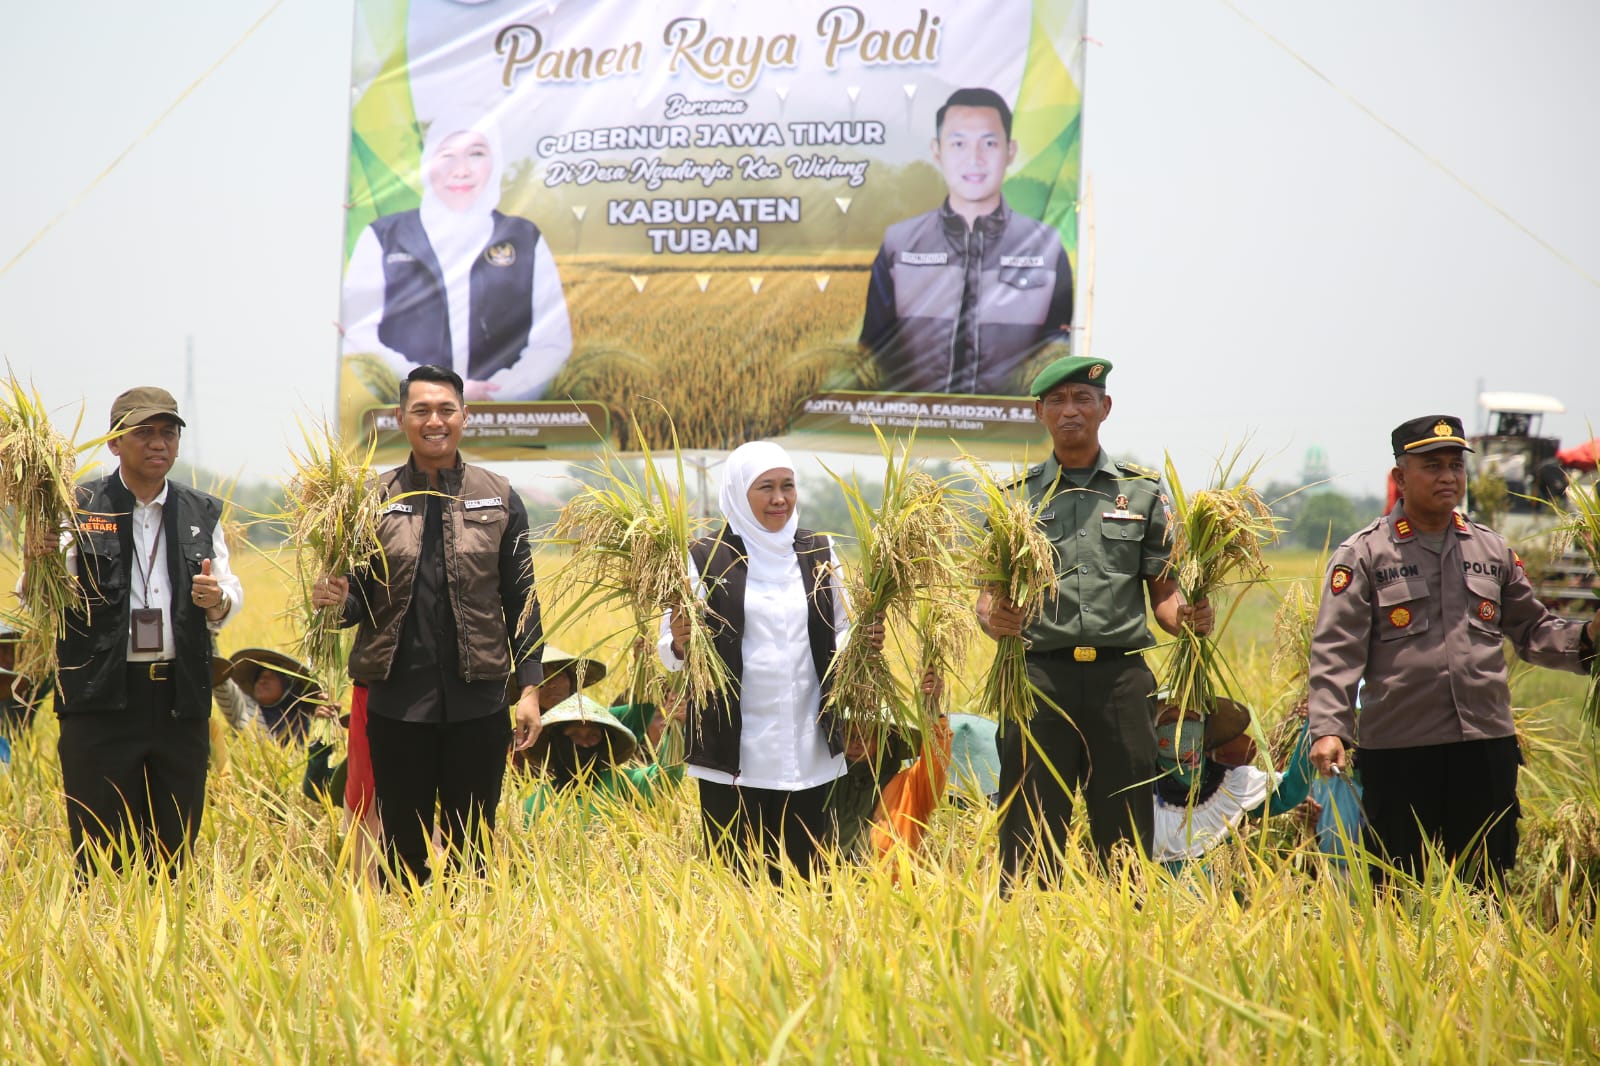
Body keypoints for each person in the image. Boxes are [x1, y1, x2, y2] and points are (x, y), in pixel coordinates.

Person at [1307, 415, 1599, 887]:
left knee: (1486, 888)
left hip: (1484, 747)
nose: (1448, 476)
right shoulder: (1365, 554)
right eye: (1432, 466)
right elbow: (1336, 650)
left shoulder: (1491, 550)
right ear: (1401, 477)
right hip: (1400, 751)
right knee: (1397, 890)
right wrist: (1328, 729)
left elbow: (1533, 631)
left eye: (1455, 465)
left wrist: (1588, 637)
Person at [978, 355, 1212, 884]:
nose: (1070, 411)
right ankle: (1028, 925)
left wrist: (1187, 618)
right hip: (1037, 682)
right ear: (1039, 412)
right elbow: (988, 598)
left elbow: (1164, 594)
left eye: (1083, 399)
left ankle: (1123, 925)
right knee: (1030, 833)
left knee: (1126, 836)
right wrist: (996, 620)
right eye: (1057, 401)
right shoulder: (1013, 499)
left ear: (1105, 408)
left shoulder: (1144, 492)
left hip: (1121, 682)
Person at [312, 364, 544, 887]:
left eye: (445, 409)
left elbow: (523, 600)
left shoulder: (499, 496)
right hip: (397, 702)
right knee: (402, 845)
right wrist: (336, 601)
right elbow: (357, 601)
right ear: (401, 418)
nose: (434, 420)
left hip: (479, 700)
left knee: (474, 844)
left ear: (465, 416)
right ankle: (406, 932)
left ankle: (474, 934)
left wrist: (529, 690)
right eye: (421, 410)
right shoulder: (370, 499)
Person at [659, 441, 883, 884]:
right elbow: (669, 648)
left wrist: (863, 641)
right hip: (733, 750)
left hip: (808, 744)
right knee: (738, 885)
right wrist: (682, 642)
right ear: (738, 492)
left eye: (787, 486)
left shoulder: (819, 551)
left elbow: (840, 629)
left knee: (808, 882)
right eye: (766, 488)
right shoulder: (704, 557)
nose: (780, 499)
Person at [50, 386, 242, 873]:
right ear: (115, 442)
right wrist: (39, 560)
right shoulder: (77, 506)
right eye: (145, 432)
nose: (159, 443)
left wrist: (217, 599)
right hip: (100, 699)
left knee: (174, 854)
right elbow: (41, 598)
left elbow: (228, 592)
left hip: (179, 700)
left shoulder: (201, 512)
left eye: (169, 433)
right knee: (101, 857)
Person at [341, 111, 573, 402]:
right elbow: (358, 333)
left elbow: (552, 341)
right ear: (428, 164)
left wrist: (499, 392)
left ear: (495, 161)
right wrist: (432, 389)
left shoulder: (525, 239)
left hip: (503, 420)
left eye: (476, 154)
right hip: (407, 419)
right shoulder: (383, 237)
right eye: (447, 156)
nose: (461, 170)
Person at [859, 87, 1074, 396]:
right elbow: (871, 354)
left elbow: (1058, 355)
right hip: (914, 423)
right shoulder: (900, 243)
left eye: (989, 143)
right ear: (937, 150)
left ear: (1010, 151)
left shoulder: (1046, 247)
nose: (974, 159)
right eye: (958, 143)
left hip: (1012, 425)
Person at [1151, 700, 1313, 874]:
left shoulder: (1235, 786)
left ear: (1203, 729)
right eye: (1168, 721)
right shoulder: (1141, 794)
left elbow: (1292, 790)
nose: (1180, 728)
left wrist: (1314, 726)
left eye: (1190, 719)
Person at [521, 693, 684, 819]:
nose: (584, 744)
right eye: (574, 735)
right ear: (556, 742)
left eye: (593, 736)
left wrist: (675, 730)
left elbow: (664, 778)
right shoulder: (535, 804)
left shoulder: (622, 784)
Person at [511, 644, 606, 773]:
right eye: (541, 678)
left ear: (571, 682)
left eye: (559, 675)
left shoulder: (592, 724)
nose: (551, 685)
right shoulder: (518, 739)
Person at [213, 647, 330, 746]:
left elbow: (317, 755)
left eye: (270, 677)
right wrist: (209, 638)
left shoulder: (302, 721)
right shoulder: (244, 710)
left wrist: (326, 724)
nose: (262, 681)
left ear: (287, 686)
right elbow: (222, 682)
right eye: (258, 678)